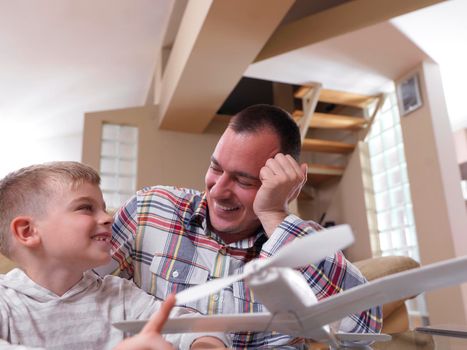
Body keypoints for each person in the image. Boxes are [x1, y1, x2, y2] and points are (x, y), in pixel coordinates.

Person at [98, 104, 383, 348]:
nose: (218, 191)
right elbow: (79, 288)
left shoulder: (306, 247)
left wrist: (274, 214)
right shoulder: (151, 208)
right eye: (215, 168)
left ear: (291, 183)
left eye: (244, 181)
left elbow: (362, 332)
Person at [0, 162, 229, 349]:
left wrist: (204, 342)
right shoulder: (5, 301)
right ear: (27, 232)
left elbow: (196, 325)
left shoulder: (119, 295)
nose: (108, 217)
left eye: (103, 207)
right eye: (85, 208)